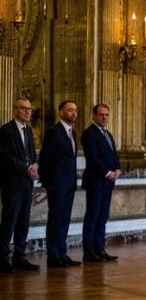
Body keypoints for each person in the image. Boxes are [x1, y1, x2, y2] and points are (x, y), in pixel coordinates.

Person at [0, 98, 40, 273]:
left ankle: (19, 257)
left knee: (23, 221)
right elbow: (4, 157)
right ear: (15, 110)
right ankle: (2, 259)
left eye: (29, 109)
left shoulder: (28, 130)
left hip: (27, 183)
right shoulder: (6, 130)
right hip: (12, 183)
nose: (27, 112)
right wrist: (25, 168)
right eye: (23, 108)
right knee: (9, 221)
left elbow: (32, 154)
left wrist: (35, 165)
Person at [39, 100, 81, 268]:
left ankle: (62, 253)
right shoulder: (54, 132)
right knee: (55, 219)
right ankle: (53, 255)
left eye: (75, 110)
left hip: (69, 184)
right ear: (61, 113)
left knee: (64, 220)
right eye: (69, 110)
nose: (73, 113)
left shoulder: (73, 132)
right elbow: (45, 157)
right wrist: (47, 181)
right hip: (56, 185)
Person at [81, 104, 122, 262]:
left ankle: (100, 249)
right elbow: (92, 158)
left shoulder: (108, 134)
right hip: (96, 182)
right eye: (101, 115)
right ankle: (89, 252)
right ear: (93, 116)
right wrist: (107, 172)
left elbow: (114, 155)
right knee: (92, 217)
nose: (104, 117)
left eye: (106, 115)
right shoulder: (89, 133)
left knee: (103, 217)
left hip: (108, 183)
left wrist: (117, 169)